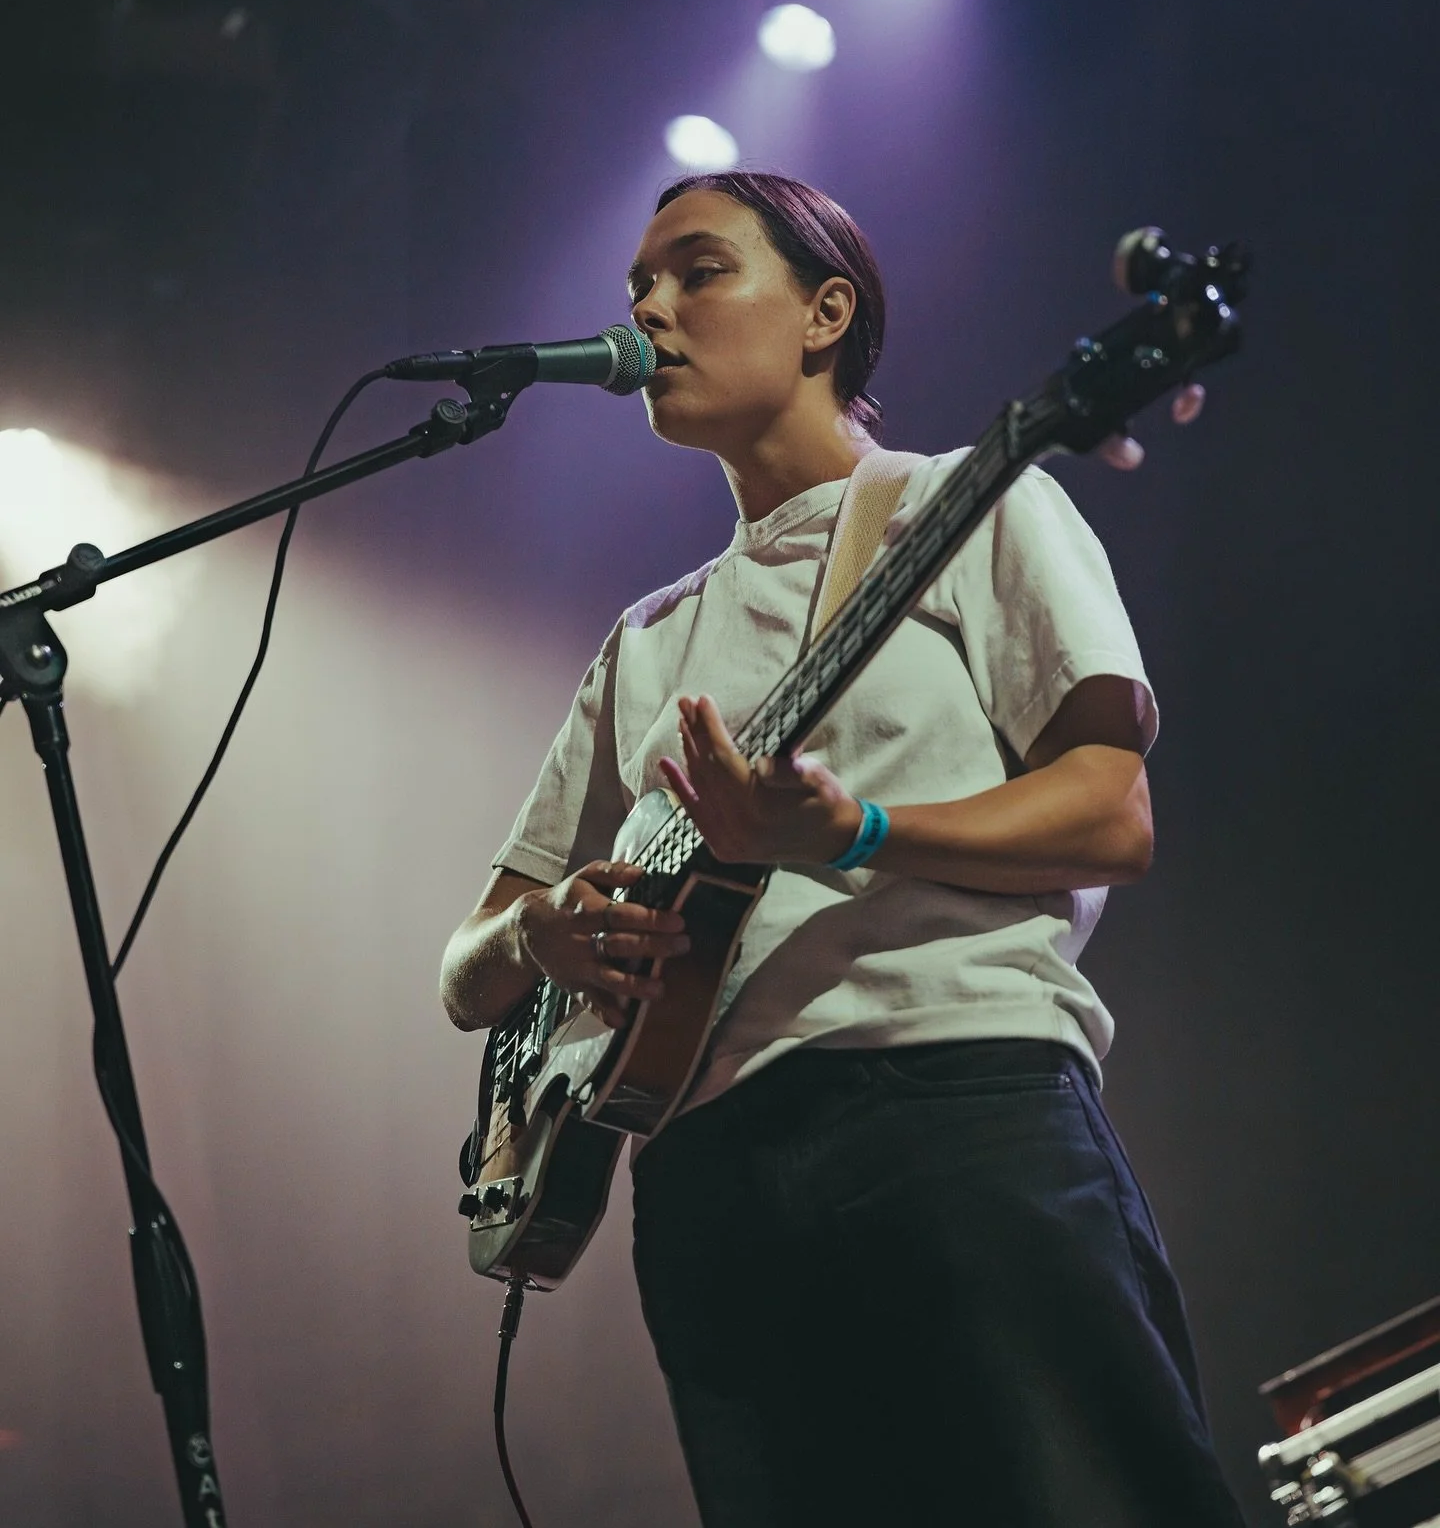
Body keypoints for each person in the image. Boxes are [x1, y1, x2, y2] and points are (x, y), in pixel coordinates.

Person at [439, 171, 1244, 1528]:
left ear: (826, 313)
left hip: (952, 1108)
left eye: (698, 271)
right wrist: (542, 934)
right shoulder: (645, 641)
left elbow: (1113, 810)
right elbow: (471, 972)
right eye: (639, 284)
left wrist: (857, 828)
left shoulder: (968, 504)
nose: (649, 305)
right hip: (705, 1187)